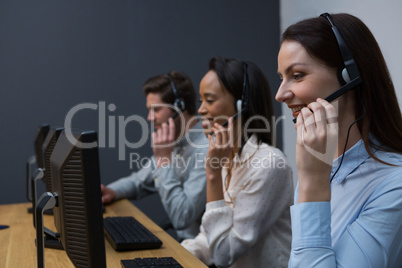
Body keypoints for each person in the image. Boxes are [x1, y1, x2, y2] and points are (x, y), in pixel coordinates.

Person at [275, 13, 402, 267]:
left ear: (348, 75)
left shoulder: (393, 184)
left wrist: (312, 184)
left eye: (297, 75)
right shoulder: (319, 166)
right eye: (281, 78)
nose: (280, 94)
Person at [181, 57, 293, 267]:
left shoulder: (268, 163)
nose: (201, 110)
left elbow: (224, 255)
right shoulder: (229, 157)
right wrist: (176, 256)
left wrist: (213, 175)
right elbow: (212, 236)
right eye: (200, 100)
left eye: (210, 100)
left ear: (241, 105)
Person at [101, 71, 209, 241]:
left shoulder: (206, 148)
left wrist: (164, 161)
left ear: (180, 107)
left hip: (201, 256)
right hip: (184, 246)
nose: (150, 118)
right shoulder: (173, 142)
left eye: (156, 110)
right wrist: (112, 191)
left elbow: (182, 217)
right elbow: (138, 181)